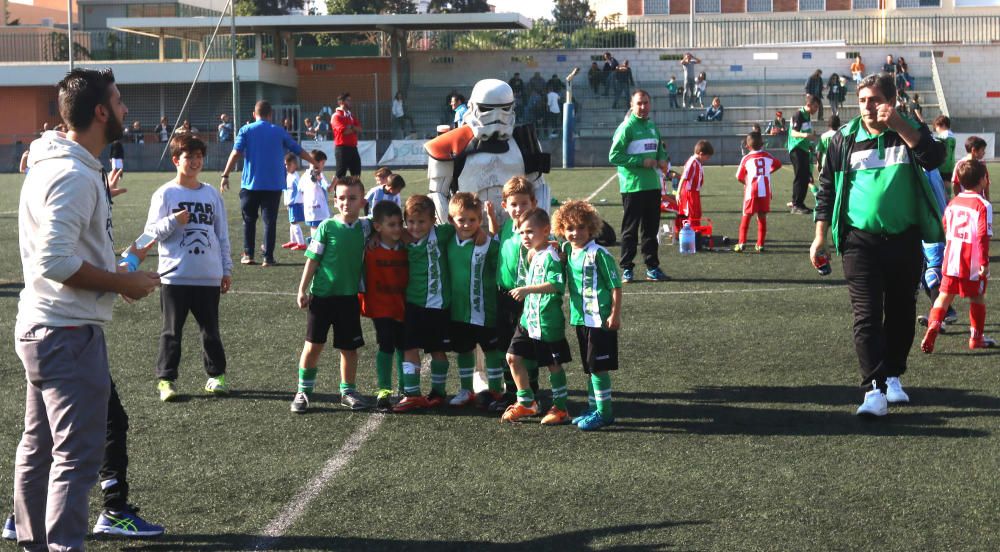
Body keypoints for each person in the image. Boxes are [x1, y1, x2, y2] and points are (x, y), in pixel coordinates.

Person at [14, 67, 161, 551]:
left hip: (42, 327)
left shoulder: (55, 162)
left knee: (38, 449)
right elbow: (54, 260)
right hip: (66, 332)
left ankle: (33, 542)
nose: (124, 110)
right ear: (100, 112)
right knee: (75, 458)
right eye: (118, 101)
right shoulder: (72, 174)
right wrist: (123, 282)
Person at [810, 72, 946, 418]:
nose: (868, 107)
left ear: (892, 99)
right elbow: (826, 190)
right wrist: (820, 237)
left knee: (900, 313)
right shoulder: (843, 139)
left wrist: (901, 125)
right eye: (863, 100)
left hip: (904, 238)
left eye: (875, 100)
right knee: (867, 315)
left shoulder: (908, 131)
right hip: (860, 242)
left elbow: (935, 159)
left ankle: (893, 375)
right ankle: (873, 389)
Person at [145, 134, 232, 402]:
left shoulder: (211, 194)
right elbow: (150, 233)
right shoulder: (166, 193)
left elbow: (222, 235)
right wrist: (172, 221)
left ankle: (216, 376)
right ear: (176, 160)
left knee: (211, 331)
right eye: (188, 157)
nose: (194, 162)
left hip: (208, 277)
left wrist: (225, 269)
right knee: (171, 331)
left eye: (198, 157)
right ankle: (166, 380)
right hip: (175, 277)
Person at [291, 176, 373, 414]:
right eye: (342, 198)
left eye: (353, 198)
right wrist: (302, 289)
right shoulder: (327, 226)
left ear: (362, 201)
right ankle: (303, 391)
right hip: (322, 298)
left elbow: (389, 227)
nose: (347, 202)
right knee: (313, 346)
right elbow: (312, 259)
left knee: (349, 349)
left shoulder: (365, 227)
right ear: (335, 201)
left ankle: (347, 391)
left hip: (348, 298)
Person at [220, 100, 316, 267]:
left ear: (253, 114)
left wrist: (225, 174)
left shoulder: (246, 130)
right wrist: (313, 161)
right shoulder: (279, 131)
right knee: (269, 221)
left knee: (249, 220)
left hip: (250, 184)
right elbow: (297, 149)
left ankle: (248, 254)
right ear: (270, 114)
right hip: (273, 185)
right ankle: (268, 258)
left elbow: (236, 153)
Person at [553, 200, 622, 431]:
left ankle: (605, 413)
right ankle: (594, 407)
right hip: (580, 319)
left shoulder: (599, 254)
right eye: (570, 229)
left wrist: (615, 314)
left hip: (599, 319)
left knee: (598, 367)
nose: (575, 233)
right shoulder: (567, 251)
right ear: (562, 230)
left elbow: (615, 286)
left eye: (581, 228)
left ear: (591, 228)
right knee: (590, 366)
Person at [501, 208, 571, 425]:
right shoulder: (534, 253)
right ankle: (526, 402)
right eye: (522, 233)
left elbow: (557, 285)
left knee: (553, 364)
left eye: (530, 232)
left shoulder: (551, 256)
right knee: (512, 357)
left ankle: (560, 408)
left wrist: (527, 289)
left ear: (546, 231)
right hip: (528, 320)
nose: (525, 237)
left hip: (547, 321)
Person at [921, 159, 994, 353]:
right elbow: (982, 235)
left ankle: (934, 325)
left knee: (944, 296)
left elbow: (945, 225)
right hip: (971, 261)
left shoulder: (953, 202)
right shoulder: (983, 205)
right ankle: (976, 338)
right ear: (982, 179)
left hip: (951, 258)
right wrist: (984, 262)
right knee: (977, 297)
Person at [392, 195, 454, 413]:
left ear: (432, 220)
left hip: (438, 306)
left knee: (437, 349)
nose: (416, 227)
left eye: (422, 222)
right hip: (413, 304)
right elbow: (377, 224)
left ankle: (438, 392)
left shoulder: (443, 233)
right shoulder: (401, 238)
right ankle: (413, 394)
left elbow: (463, 224)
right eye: (411, 222)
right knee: (409, 346)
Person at [445, 192, 504, 407]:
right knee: (463, 350)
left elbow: (502, 260)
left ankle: (496, 391)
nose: (467, 224)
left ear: (479, 221)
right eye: (462, 220)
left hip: (485, 310)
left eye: (473, 220)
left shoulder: (487, 244)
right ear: (452, 220)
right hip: (459, 311)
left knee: (492, 351)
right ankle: (466, 389)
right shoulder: (447, 240)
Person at [609, 89, 670, 283]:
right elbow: (614, 156)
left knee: (651, 230)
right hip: (633, 187)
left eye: (646, 103)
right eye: (639, 103)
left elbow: (660, 148)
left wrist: (662, 159)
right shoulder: (627, 127)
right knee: (630, 230)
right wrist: (640, 161)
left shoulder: (652, 126)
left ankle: (652, 267)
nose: (643, 107)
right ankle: (627, 268)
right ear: (632, 105)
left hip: (653, 185)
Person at [490, 176, 539, 412]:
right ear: (505, 206)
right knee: (504, 345)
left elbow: (550, 250)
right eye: (513, 204)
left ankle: (532, 392)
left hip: (528, 298)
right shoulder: (507, 227)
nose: (518, 209)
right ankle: (511, 391)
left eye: (524, 204)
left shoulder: (536, 230)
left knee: (525, 348)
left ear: (534, 203)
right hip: (504, 295)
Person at [360, 200, 410, 411]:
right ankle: (384, 389)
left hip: (404, 304)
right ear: (378, 226)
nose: (398, 228)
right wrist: (372, 233)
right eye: (391, 224)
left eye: (400, 224)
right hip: (380, 306)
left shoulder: (407, 245)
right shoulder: (369, 247)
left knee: (403, 345)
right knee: (386, 344)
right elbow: (355, 221)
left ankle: (406, 388)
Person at [734, 132, 781, 252]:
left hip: (752, 191)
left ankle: (741, 243)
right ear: (762, 144)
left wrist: (747, 182)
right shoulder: (767, 155)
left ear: (747, 146)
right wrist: (767, 172)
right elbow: (778, 164)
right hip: (765, 192)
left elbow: (739, 177)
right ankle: (760, 244)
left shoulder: (746, 158)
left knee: (746, 216)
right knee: (762, 217)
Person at [787, 94, 820, 214]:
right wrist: (806, 135)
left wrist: (810, 143)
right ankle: (796, 204)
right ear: (809, 105)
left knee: (806, 177)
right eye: (815, 107)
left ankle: (800, 203)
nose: (816, 110)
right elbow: (794, 133)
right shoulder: (799, 114)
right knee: (800, 177)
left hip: (804, 149)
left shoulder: (807, 116)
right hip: (796, 149)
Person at [675, 140, 714, 236]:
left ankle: (696, 232)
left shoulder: (698, 162)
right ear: (701, 154)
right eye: (707, 157)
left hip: (695, 192)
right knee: (691, 214)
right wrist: (678, 193)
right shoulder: (692, 162)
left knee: (697, 213)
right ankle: (689, 234)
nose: (707, 159)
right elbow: (683, 177)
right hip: (689, 192)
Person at [281, 152, 307, 251]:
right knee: (292, 222)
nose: (286, 167)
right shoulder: (288, 175)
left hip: (295, 204)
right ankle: (293, 241)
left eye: (288, 165)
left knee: (294, 222)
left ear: (294, 165)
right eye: (285, 165)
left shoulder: (295, 177)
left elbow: (300, 189)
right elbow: (287, 190)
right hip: (290, 204)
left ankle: (301, 243)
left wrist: (293, 201)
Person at [952, 136, 991, 200]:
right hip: (966, 200)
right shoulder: (960, 165)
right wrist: (959, 199)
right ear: (974, 150)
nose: (984, 152)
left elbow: (986, 185)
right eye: (982, 150)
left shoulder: (982, 165)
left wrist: (988, 199)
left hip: (979, 201)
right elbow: (955, 184)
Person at [302, 149, 331, 235]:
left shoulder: (304, 175)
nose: (323, 166)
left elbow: (300, 190)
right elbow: (328, 188)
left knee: (314, 230)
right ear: (316, 163)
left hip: (309, 210)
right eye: (323, 163)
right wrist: (335, 180)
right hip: (320, 210)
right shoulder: (319, 174)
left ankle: (312, 245)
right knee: (323, 231)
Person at [333, 93, 362, 177]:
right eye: (348, 100)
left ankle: (355, 190)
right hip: (342, 149)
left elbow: (360, 129)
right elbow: (344, 131)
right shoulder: (336, 116)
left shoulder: (351, 116)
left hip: (353, 148)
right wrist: (354, 129)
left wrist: (351, 127)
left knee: (357, 173)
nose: (350, 102)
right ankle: (337, 190)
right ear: (341, 102)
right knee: (340, 174)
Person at [933, 115, 957, 184]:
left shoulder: (943, 135)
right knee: (947, 184)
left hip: (943, 165)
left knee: (941, 186)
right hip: (951, 164)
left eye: (936, 127)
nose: (936, 129)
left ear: (943, 125)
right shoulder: (951, 135)